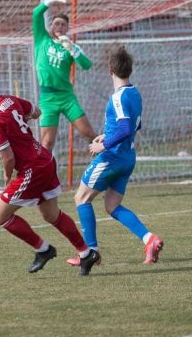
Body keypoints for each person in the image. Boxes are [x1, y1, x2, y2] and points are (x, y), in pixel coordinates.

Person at [0, 67, 100, 275]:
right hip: (46, 160)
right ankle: (86, 253)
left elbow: (9, 157)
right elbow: (37, 113)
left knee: (0, 215)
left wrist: (7, 174)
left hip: (31, 168)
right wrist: (20, 121)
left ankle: (43, 250)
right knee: (51, 215)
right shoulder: (10, 100)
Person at [70, 46, 164, 269]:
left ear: (110, 70)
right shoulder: (135, 92)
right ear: (129, 70)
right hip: (127, 158)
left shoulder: (119, 97)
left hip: (112, 158)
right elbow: (134, 125)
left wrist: (104, 146)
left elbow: (123, 129)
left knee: (81, 198)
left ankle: (90, 252)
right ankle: (149, 239)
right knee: (112, 206)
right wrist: (107, 135)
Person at [32, 0, 97, 151]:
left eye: (63, 24)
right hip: (47, 99)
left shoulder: (70, 46)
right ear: (51, 26)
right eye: (56, 23)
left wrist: (71, 49)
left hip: (67, 98)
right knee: (46, 144)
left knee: (89, 134)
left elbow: (86, 65)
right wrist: (50, 0)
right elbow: (36, 14)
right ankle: (42, 175)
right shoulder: (42, 39)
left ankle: (106, 165)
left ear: (67, 28)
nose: (59, 26)